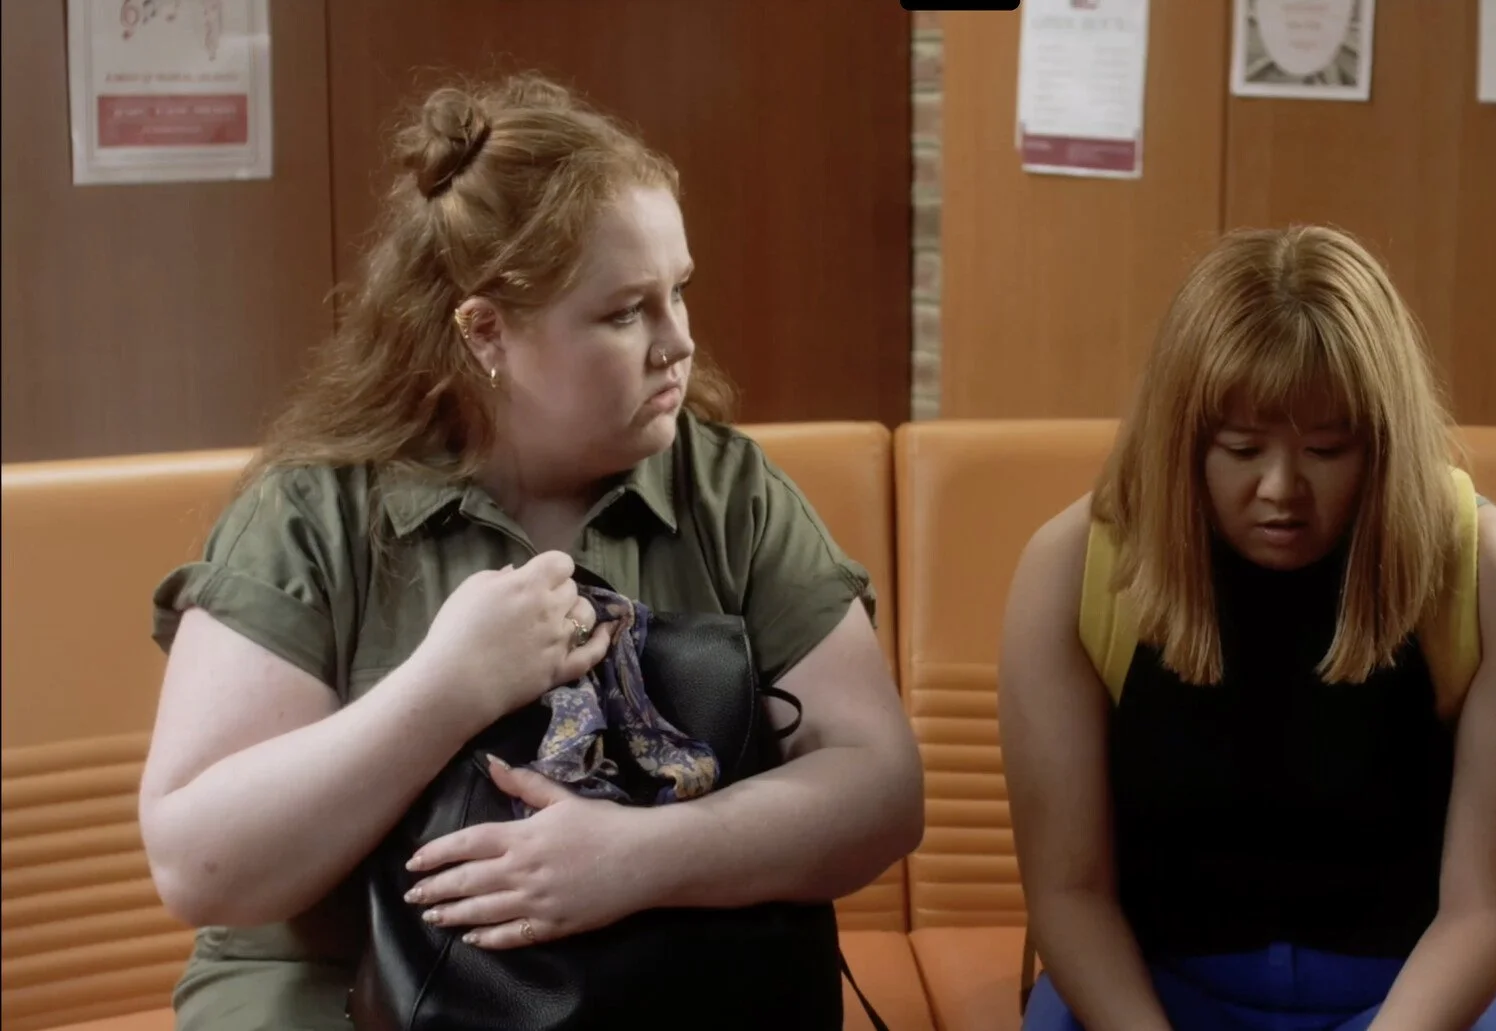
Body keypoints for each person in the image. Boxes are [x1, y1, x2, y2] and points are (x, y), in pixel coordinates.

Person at [137, 73, 924, 1030]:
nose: (678, 341)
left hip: (666, 971)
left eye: (679, 291)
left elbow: (881, 789)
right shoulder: (311, 513)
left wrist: (644, 857)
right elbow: (201, 867)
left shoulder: (731, 494)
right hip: (343, 989)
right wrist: (448, 688)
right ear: (485, 331)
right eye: (624, 311)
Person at [998, 226, 1496, 1031]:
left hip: (1408, 991)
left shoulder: (1494, 578)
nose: (1281, 488)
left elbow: (1483, 912)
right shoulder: (1072, 568)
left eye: (1327, 450)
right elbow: (1069, 893)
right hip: (1149, 984)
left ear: (1384, 444)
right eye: (1241, 448)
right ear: (1182, 443)